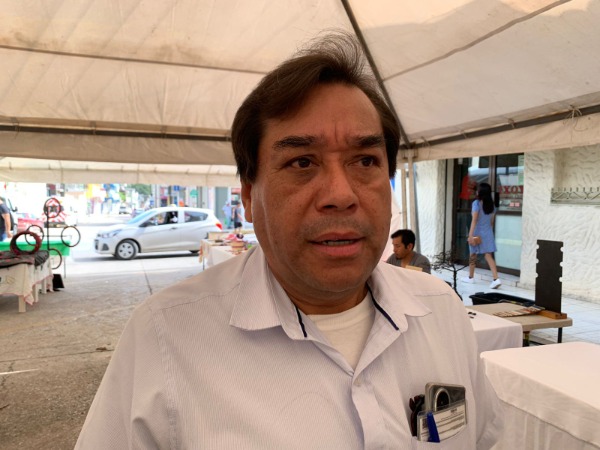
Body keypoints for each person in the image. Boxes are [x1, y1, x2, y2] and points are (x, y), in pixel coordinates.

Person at [76, 33, 502, 449]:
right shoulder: (165, 339)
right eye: (301, 162)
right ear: (248, 195)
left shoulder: (440, 310)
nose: (341, 195)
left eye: (365, 160)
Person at [462, 182, 502, 289]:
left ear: (480, 192)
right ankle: (496, 278)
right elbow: (491, 222)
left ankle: (471, 277)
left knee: (473, 254)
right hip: (487, 232)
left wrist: (470, 235)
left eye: (478, 190)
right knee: (488, 255)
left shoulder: (476, 203)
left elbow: (474, 220)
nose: (476, 191)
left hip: (477, 233)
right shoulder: (492, 205)